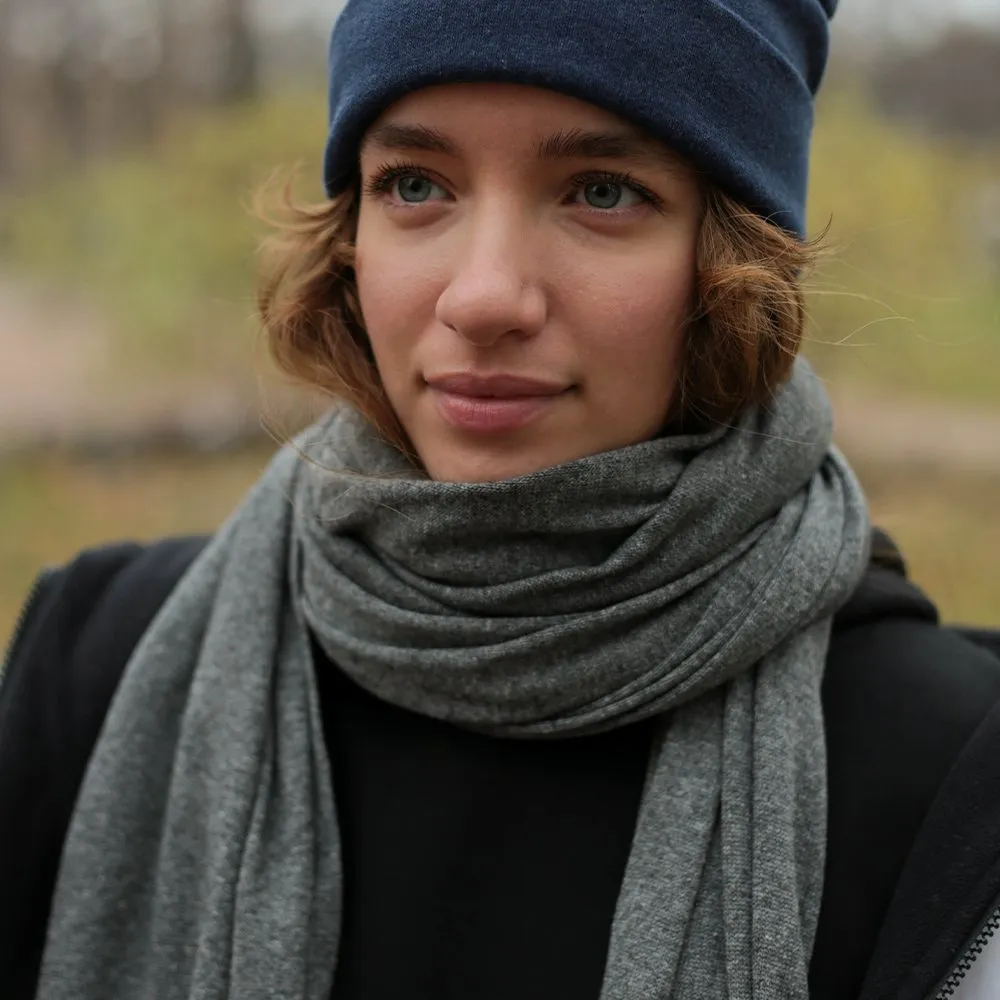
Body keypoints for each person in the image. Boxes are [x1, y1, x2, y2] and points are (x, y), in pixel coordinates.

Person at [2, 1, 1000, 998]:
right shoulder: (96, 666)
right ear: (349, 234)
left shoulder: (946, 774)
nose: (482, 297)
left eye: (602, 192)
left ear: (733, 260)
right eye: (415, 185)